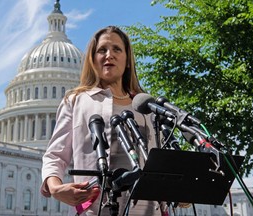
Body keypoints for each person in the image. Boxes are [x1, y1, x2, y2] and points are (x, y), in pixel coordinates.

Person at [40, 25, 165, 216]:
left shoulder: (145, 105)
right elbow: (55, 155)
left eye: (116, 49)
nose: (109, 55)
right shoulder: (75, 101)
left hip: (148, 209)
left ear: (127, 59)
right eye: (102, 50)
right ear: (93, 59)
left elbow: (161, 159)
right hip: (97, 207)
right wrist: (56, 188)